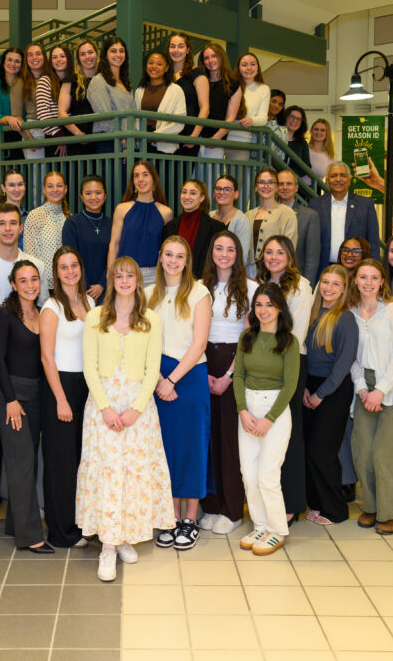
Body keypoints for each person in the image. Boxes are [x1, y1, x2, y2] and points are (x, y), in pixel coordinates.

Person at [77, 256, 173, 582]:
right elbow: (89, 367)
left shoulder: (150, 319)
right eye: (118, 276)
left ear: (137, 280)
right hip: (102, 407)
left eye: (130, 275)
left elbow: (152, 369)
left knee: (133, 472)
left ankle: (126, 536)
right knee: (107, 473)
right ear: (112, 280)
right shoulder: (95, 316)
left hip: (137, 409)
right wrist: (105, 408)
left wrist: (136, 409)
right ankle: (107, 544)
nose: (124, 281)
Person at [147, 236, 212, 550]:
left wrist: (171, 380)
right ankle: (171, 517)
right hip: (157, 376)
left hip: (189, 375)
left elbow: (199, 343)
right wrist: (158, 379)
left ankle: (190, 518)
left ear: (187, 261)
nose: (173, 261)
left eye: (180, 256)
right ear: (160, 257)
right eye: (169, 255)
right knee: (167, 448)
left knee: (192, 446)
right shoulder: (147, 294)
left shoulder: (199, 292)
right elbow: (143, 341)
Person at [347, 259, 393, 535]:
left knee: (386, 454)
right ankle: (372, 507)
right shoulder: (350, 312)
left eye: (374, 277)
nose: (368, 283)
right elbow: (350, 356)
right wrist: (362, 388)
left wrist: (380, 390)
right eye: (363, 277)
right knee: (363, 453)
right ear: (355, 280)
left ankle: (392, 512)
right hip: (364, 388)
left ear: (382, 281)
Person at [235, 283, 301, 555]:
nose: (263, 310)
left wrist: (269, 418)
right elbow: (239, 376)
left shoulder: (289, 342)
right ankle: (260, 525)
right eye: (259, 305)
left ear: (280, 308)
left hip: (275, 411)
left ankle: (277, 530)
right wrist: (243, 411)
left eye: (270, 305)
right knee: (249, 475)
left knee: (267, 475)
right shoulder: (247, 337)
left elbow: (290, 385)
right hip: (248, 411)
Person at [0, 260, 53, 553]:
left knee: (29, 461)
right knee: (21, 462)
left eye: (34, 279)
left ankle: (16, 524)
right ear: (13, 285)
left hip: (36, 393)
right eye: (23, 280)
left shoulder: (42, 313)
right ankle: (30, 536)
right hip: (11, 394)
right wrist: (11, 400)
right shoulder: (5, 315)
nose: (30, 285)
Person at [197, 231, 256, 534]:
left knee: (231, 440)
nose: (224, 254)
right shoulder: (199, 287)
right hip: (203, 361)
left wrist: (229, 376)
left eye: (230, 249)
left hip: (236, 363)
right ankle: (211, 505)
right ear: (211, 252)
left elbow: (249, 336)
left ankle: (232, 510)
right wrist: (203, 368)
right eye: (218, 248)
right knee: (208, 438)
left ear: (238, 254)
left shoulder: (250, 287)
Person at [256, 235, 314, 522]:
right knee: (268, 435)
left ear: (290, 256)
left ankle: (291, 504)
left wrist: (274, 361)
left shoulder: (300, 286)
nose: (274, 257)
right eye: (269, 252)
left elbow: (297, 333)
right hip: (263, 362)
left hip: (288, 361)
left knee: (288, 433)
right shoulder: (262, 283)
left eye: (280, 252)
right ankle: (269, 499)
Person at [40, 248, 95, 547]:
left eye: (74, 265)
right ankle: (60, 532)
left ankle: (80, 522)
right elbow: (47, 357)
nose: (70, 271)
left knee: (80, 459)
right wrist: (61, 398)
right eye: (64, 267)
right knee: (61, 462)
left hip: (86, 386)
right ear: (56, 273)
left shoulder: (90, 302)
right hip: (60, 387)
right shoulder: (52, 307)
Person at [303, 264, 359, 526]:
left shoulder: (345, 318)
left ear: (344, 288)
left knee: (322, 451)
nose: (328, 288)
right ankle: (317, 503)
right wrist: (305, 387)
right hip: (309, 386)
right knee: (309, 450)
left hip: (333, 390)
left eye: (336, 284)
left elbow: (343, 364)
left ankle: (335, 510)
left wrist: (320, 394)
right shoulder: (311, 313)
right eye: (325, 282)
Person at [107, 160, 173, 288]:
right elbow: (114, 244)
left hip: (154, 275)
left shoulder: (166, 213)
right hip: (124, 272)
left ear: (154, 180)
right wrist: (110, 273)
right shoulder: (121, 209)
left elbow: (168, 249)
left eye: (145, 174)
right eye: (136, 176)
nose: (140, 179)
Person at [309, 162, 381, 276]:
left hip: (355, 272)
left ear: (349, 180)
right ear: (327, 181)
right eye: (334, 176)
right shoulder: (315, 205)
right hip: (323, 270)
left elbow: (373, 243)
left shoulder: (365, 204)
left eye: (343, 175)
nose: (338, 179)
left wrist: (374, 272)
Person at [0, 203, 45, 318]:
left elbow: (44, 309)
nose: (8, 228)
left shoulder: (38, 266)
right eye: (2, 223)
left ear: (21, 228)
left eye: (13, 223)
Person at [61, 174, 111, 303]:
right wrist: (86, 288)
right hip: (78, 288)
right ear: (81, 197)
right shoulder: (72, 223)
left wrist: (102, 284)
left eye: (98, 193)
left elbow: (115, 257)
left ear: (105, 195)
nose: (93, 197)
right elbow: (71, 259)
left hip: (107, 289)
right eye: (88, 193)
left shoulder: (112, 224)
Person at [161, 179, 225, 279]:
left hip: (203, 283)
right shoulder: (169, 227)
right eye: (184, 192)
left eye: (193, 193)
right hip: (174, 280)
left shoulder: (216, 227)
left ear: (202, 198)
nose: (187, 197)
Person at [245, 169, 298, 277]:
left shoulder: (287, 213)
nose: (266, 186)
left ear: (277, 187)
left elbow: (289, 247)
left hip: (275, 270)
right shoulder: (248, 215)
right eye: (261, 182)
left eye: (271, 182)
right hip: (249, 272)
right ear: (256, 187)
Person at [86, 36, 133, 155]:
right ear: (106, 55)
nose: (118, 54)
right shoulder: (99, 81)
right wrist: (123, 140)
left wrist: (130, 140)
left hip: (128, 142)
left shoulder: (127, 84)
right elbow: (104, 117)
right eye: (113, 51)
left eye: (121, 51)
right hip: (109, 142)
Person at [134, 50, 186, 155]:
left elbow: (179, 121)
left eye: (159, 64)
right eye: (151, 63)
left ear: (166, 68)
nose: (154, 66)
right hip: (141, 143)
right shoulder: (139, 90)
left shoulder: (176, 90)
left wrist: (157, 135)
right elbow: (135, 119)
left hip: (164, 145)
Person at [196, 42, 242, 160]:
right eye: (206, 58)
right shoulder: (199, 82)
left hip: (215, 141)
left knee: (211, 171)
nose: (210, 61)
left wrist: (216, 138)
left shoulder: (233, 85)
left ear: (221, 57)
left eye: (214, 56)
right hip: (196, 137)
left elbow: (230, 118)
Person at [23, 170, 70, 281]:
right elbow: (29, 254)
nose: (55, 190)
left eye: (59, 186)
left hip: (65, 281)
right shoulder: (35, 216)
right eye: (50, 186)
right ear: (44, 190)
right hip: (41, 283)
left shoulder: (70, 219)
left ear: (65, 189)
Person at [276, 169, 321, 279]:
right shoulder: (267, 213)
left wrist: (307, 285)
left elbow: (312, 259)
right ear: (276, 188)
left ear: (296, 188)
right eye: (281, 184)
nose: (285, 187)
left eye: (289, 184)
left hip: (296, 279)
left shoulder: (309, 216)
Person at [57, 39, 99, 155]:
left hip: (101, 139)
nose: (87, 57)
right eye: (83, 54)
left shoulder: (104, 80)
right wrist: (78, 134)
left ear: (97, 54)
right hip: (78, 141)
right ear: (78, 59)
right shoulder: (70, 81)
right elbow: (61, 113)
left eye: (90, 52)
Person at [0, 47, 27, 160]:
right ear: (3, 62)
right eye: (9, 60)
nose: (13, 64)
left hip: (28, 131)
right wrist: (8, 119)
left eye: (17, 61)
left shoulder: (27, 85)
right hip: (9, 136)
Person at [232, 53, 269, 161]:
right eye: (244, 65)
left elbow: (263, 118)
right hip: (221, 136)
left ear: (258, 68)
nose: (249, 68)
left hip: (242, 140)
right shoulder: (230, 85)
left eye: (253, 64)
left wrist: (252, 120)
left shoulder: (263, 89)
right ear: (239, 69)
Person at [210, 174, 252, 270]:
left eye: (227, 189)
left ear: (236, 194)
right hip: (209, 272)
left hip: (232, 274)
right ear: (214, 193)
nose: (222, 192)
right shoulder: (209, 216)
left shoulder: (242, 220)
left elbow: (241, 257)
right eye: (218, 189)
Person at [19, 42, 49, 160]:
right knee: (39, 170)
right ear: (26, 59)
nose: (34, 58)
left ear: (44, 57)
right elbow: (16, 116)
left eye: (38, 54)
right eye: (30, 55)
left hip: (52, 129)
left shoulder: (52, 78)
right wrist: (29, 139)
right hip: (33, 130)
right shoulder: (20, 82)